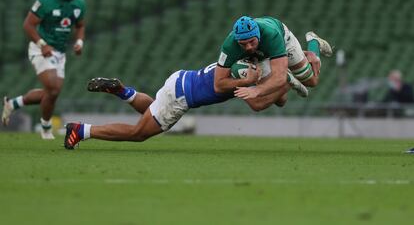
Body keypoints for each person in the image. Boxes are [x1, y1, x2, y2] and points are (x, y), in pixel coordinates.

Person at [64, 61, 306, 149]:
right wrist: (283, 83)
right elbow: (258, 104)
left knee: (154, 110)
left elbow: (279, 98)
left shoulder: (247, 61)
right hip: (182, 97)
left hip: (180, 79)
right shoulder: (247, 74)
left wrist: (284, 84)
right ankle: (81, 130)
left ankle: (123, 92)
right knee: (138, 133)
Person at [1, 0, 86, 139]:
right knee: (53, 90)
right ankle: (46, 128)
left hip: (60, 53)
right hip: (40, 49)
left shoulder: (80, 3)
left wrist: (79, 42)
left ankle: (12, 103)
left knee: (51, 93)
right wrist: (42, 44)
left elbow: (80, 25)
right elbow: (28, 25)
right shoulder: (46, 1)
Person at [214, 16, 332, 106]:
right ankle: (288, 75)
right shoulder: (229, 46)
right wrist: (246, 81)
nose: (249, 47)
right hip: (261, 54)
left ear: (258, 35)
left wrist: (257, 89)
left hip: (283, 42)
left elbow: (279, 79)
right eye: (243, 44)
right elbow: (218, 85)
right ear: (236, 40)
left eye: (252, 41)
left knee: (312, 81)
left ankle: (313, 43)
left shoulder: (271, 34)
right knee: (280, 102)